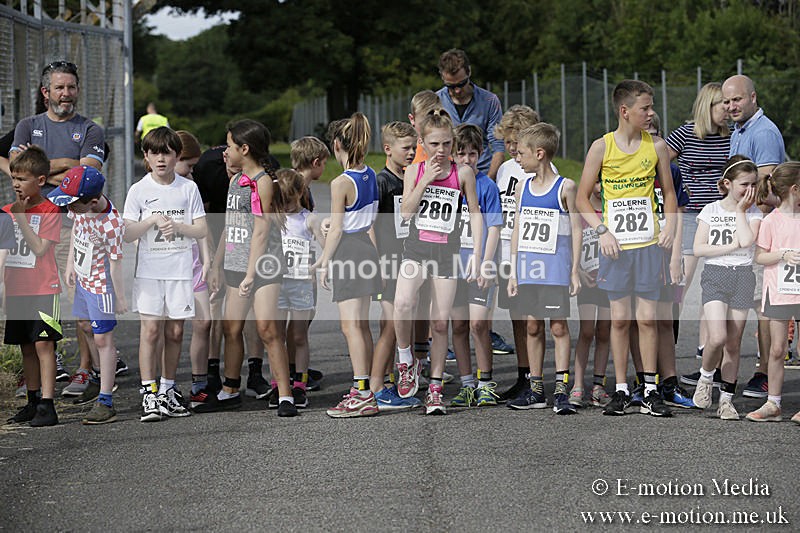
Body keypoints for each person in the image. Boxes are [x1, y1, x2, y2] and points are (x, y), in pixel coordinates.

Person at [576, 80, 677, 418]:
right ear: (625, 111)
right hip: (616, 248)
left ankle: (649, 389)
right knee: (619, 321)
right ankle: (620, 389)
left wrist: (670, 228)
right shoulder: (601, 148)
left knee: (647, 319)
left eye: (651, 107)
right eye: (645, 108)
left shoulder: (658, 147)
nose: (651, 113)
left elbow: (670, 195)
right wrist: (602, 231)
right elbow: (581, 198)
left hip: (648, 245)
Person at [10, 61, 108, 391]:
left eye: (71, 87)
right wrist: (66, 165)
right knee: (34, 297)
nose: (66, 94)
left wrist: (43, 169)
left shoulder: (91, 129)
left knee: (76, 301)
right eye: (60, 88)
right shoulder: (27, 125)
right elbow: (17, 167)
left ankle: (85, 368)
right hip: (31, 225)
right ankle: (48, 367)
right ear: (45, 92)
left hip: (72, 226)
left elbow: (86, 177)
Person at [200, 119, 294, 417]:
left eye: (228, 145)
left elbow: (262, 231)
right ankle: (230, 389)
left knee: (267, 329)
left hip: (262, 266)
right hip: (235, 264)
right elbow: (231, 226)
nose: (224, 152)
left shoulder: (264, 181)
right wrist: (217, 265)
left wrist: (252, 274)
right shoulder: (235, 181)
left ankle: (286, 394)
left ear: (245, 148)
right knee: (231, 327)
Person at [392, 110, 483, 416]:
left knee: (440, 322)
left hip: (447, 254)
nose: (442, 150)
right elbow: (405, 212)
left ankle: (434, 389)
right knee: (402, 303)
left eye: (447, 143)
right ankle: (405, 359)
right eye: (435, 144)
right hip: (417, 249)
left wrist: (478, 257)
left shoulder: (463, 173)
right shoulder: (414, 171)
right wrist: (426, 179)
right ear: (423, 142)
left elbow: (475, 215)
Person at [123, 126, 207, 422]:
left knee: (175, 332)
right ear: (145, 156)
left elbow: (201, 229)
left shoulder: (188, 188)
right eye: (154, 153)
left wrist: (178, 227)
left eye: (167, 153)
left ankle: (168, 390)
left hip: (180, 271)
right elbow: (128, 234)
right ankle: (149, 392)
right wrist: (151, 222)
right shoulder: (139, 190)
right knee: (151, 330)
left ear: (176, 156)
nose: (161, 159)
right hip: (150, 272)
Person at [506, 123, 581, 415]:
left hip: (555, 269)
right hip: (529, 269)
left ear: (539, 153)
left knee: (559, 326)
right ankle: (535, 388)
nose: (517, 157)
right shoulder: (522, 188)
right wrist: (513, 272)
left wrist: (574, 270)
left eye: (521, 153)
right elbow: (517, 230)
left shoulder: (565, 187)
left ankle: (561, 388)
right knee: (533, 326)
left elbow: (576, 229)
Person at [722, 74, 786, 400]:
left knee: (764, 305)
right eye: (727, 101)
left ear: (753, 97)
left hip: (764, 231)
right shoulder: (739, 132)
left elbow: (766, 189)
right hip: (744, 228)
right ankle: (725, 368)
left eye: (737, 99)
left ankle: (763, 374)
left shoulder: (764, 132)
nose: (731, 106)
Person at [314, 112, 382, 418]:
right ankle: (363, 388)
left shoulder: (341, 182)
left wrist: (324, 261)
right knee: (361, 325)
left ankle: (363, 393)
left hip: (349, 252)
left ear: (336, 144)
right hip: (366, 249)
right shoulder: (371, 174)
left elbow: (340, 229)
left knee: (350, 325)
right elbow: (359, 219)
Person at [47, 165, 127, 424]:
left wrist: (121, 297)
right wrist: (70, 264)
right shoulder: (80, 207)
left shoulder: (112, 224)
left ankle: (106, 400)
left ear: (93, 202)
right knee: (83, 325)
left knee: (104, 340)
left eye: (72, 205)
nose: (69, 210)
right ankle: (96, 376)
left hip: (101, 286)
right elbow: (77, 234)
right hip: (83, 278)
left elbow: (116, 264)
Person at [689, 156, 762, 420]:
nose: (750, 191)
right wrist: (728, 248)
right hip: (715, 275)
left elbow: (746, 240)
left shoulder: (753, 213)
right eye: (745, 184)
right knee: (717, 337)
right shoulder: (711, 210)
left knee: (733, 342)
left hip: (743, 276)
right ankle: (706, 378)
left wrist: (741, 212)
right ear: (727, 184)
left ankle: (726, 400)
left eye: (754, 184)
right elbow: (699, 248)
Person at [665, 82, 730, 363]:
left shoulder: (731, 136)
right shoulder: (686, 133)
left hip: (720, 217)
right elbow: (659, 164)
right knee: (680, 284)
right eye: (722, 104)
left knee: (715, 287)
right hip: (691, 216)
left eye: (730, 104)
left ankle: (706, 351)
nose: (728, 110)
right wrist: (679, 189)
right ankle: (666, 346)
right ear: (708, 105)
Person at [4, 146, 62, 427]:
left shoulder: (50, 210)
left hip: (44, 289)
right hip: (17, 290)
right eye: (13, 178)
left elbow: (40, 248)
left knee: (44, 344)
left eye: (23, 178)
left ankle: (48, 404)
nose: (16, 184)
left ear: (39, 181)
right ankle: (32, 399)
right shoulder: (6, 212)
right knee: (25, 346)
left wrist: (22, 217)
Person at [492, 105, 545, 397]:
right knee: (516, 317)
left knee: (533, 320)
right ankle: (523, 374)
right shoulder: (504, 169)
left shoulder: (541, 168)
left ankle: (537, 377)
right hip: (505, 252)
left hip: (532, 252)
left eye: (516, 141)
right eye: (508, 142)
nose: (511, 148)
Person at [370, 121, 423, 411]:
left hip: (409, 260)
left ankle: (390, 381)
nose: (412, 152)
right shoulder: (382, 182)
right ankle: (376, 385)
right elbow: (370, 225)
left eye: (415, 147)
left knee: (401, 322)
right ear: (388, 149)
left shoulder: (411, 178)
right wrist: (378, 262)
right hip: (388, 262)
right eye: (407, 148)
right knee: (389, 324)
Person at [449, 124, 503, 408]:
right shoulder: (446, 185)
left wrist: (484, 264)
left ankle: (485, 383)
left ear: (481, 154)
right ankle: (467, 382)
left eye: (472, 153)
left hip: (480, 262)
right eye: (461, 153)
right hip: (452, 264)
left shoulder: (487, 186)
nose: (467, 159)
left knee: (479, 324)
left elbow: (494, 227)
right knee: (458, 326)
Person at [746, 162, 800, 423]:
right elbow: (760, 256)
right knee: (777, 349)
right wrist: (783, 255)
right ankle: (773, 404)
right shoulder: (770, 221)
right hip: (778, 292)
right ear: (794, 189)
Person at [275, 168, 325, 409]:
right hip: (278, 283)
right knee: (277, 336)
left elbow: (327, 248)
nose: (286, 206)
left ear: (300, 193)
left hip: (301, 284)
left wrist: (318, 268)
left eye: (290, 201)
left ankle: (300, 383)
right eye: (281, 201)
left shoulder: (308, 219)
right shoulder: (274, 217)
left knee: (298, 335)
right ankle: (279, 381)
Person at [570, 174, 611, 408]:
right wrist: (578, 271)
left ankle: (599, 384)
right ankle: (577, 384)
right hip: (588, 280)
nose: (600, 187)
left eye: (605, 182)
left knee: (604, 331)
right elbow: (571, 242)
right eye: (596, 182)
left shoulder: (612, 211)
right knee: (587, 331)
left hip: (609, 281)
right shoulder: (582, 211)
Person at [436, 49, 504, 179]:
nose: (457, 90)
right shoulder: (436, 101)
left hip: (482, 173)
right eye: (450, 86)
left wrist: (488, 182)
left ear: (469, 72)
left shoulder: (489, 101)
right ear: (442, 77)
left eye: (461, 84)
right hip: (447, 175)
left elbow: (498, 146)